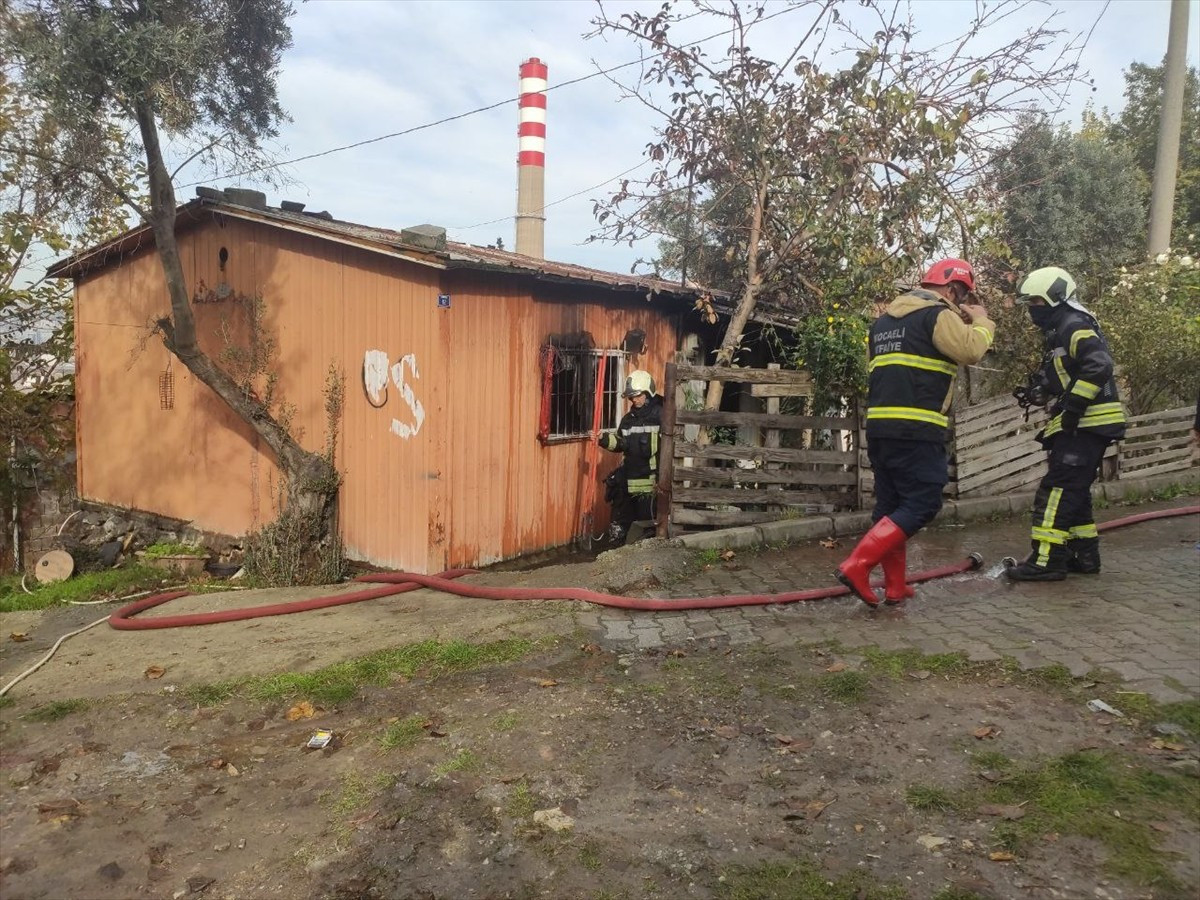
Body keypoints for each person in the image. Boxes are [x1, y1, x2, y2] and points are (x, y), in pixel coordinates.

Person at [836, 258, 995, 606]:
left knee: (892, 506)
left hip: (880, 427)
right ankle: (858, 565)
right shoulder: (938, 315)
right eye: (960, 296)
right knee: (922, 503)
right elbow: (971, 350)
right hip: (918, 428)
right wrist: (982, 321)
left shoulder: (881, 324)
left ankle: (895, 586)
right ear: (952, 290)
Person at [1005, 266, 1127, 581]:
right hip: (1085, 425)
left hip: (1086, 423)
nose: (1032, 310)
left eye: (1036, 303)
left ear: (1055, 298)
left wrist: (1072, 408)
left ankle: (1046, 562)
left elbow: (1098, 365)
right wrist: (1041, 388)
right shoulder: (1061, 329)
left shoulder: (1073, 324)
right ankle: (1084, 556)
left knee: (1056, 490)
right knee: (1074, 492)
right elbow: (1067, 371)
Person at [599, 369, 663, 544]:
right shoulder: (628, 419)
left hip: (650, 485)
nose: (634, 400)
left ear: (647, 391)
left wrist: (662, 480)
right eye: (631, 397)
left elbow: (668, 450)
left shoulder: (661, 415)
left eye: (637, 395)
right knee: (622, 523)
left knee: (646, 527)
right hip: (629, 481)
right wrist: (603, 439)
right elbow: (621, 443)